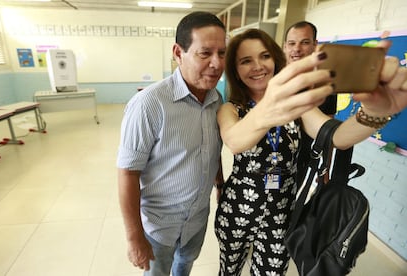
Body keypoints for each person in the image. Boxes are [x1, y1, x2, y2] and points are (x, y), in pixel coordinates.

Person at [214, 28, 407, 276]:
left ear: (274, 58)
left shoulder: (298, 107)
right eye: (246, 60)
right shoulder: (230, 109)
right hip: (237, 207)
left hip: (281, 213)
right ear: (235, 70)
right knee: (228, 271)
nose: (258, 66)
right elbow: (234, 140)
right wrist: (269, 108)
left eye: (264, 56)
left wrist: (376, 114)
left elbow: (337, 137)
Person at [117, 11, 226, 276]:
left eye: (222, 53)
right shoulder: (149, 105)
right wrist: (134, 238)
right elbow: (128, 173)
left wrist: (220, 185)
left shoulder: (216, 100)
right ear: (178, 52)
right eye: (205, 53)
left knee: (184, 266)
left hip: (197, 219)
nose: (216, 64)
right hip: (159, 226)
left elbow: (213, 150)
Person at [283, 21, 337, 183]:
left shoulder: (325, 84)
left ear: (315, 45)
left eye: (305, 43)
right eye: (292, 43)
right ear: (285, 46)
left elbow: (329, 132)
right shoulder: (271, 78)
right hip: (263, 164)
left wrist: (325, 169)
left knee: (291, 208)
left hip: (300, 163)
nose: (297, 49)